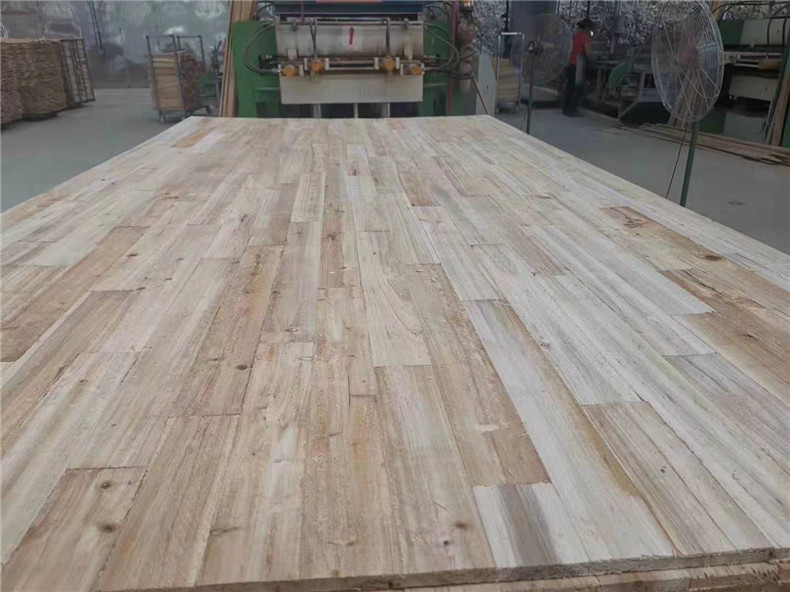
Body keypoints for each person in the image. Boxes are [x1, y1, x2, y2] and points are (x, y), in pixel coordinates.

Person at [562, 18, 594, 116]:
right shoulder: (585, 37)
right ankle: (571, 111)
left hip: (569, 63)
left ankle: (565, 109)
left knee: (569, 87)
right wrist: (593, 59)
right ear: (587, 28)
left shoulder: (573, 36)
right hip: (578, 65)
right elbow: (588, 53)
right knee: (577, 89)